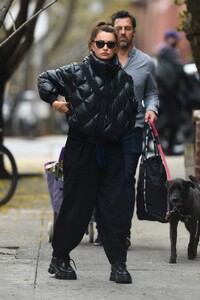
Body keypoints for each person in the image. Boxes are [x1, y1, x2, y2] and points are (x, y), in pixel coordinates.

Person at [37, 21, 138, 284]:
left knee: (114, 207)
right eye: (100, 43)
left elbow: (131, 113)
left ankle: (118, 264)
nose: (105, 48)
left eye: (110, 44)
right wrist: (55, 102)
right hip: (81, 147)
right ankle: (60, 257)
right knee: (76, 205)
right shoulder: (75, 72)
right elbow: (44, 79)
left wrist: (117, 130)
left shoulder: (125, 81)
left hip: (112, 151)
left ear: (117, 47)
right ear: (92, 44)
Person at [109, 10, 159, 248]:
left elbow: (151, 93)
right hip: (104, 130)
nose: (122, 32)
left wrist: (152, 109)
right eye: (118, 28)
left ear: (133, 31)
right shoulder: (101, 56)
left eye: (127, 28)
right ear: (112, 30)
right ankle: (104, 226)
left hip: (133, 128)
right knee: (105, 178)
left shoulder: (146, 62)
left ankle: (122, 232)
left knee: (126, 179)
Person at [155, 29, 185, 155]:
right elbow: (178, 66)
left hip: (170, 92)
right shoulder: (166, 51)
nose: (177, 41)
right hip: (166, 92)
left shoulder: (171, 52)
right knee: (170, 121)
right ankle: (156, 139)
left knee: (173, 121)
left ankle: (169, 148)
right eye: (175, 38)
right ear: (169, 39)